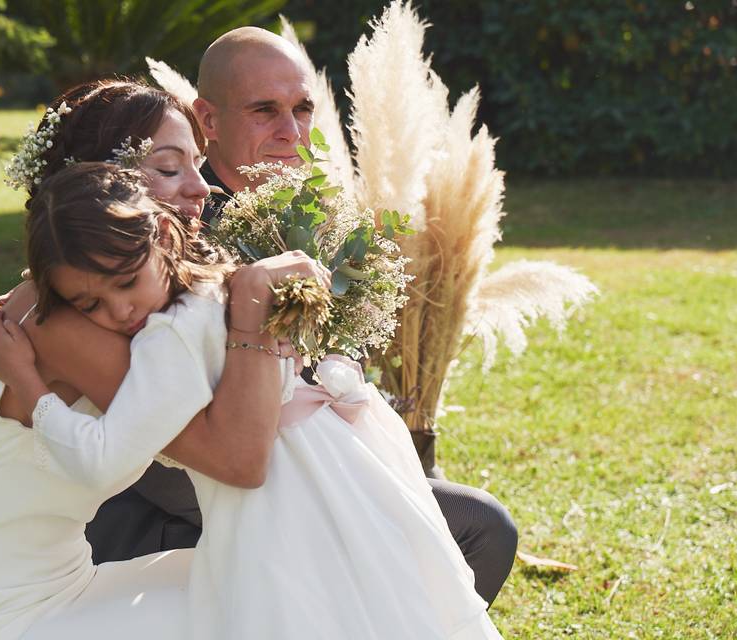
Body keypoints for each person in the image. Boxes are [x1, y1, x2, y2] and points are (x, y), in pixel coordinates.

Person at [0, 161, 503, 639]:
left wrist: (28, 385)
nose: (119, 312)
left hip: (275, 507)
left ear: (163, 234)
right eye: (89, 303)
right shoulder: (216, 289)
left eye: (125, 283)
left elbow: (99, 461)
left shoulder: (168, 338)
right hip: (333, 469)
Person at [0, 81, 327, 638]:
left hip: (66, 581)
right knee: (291, 597)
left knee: (296, 577)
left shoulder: (86, 301)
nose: (200, 187)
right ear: (100, 185)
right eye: (167, 168)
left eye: (196, 163)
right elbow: (240, 462)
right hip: (6, 620)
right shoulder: (67, 325)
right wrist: (254, 296)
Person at [194, 25, 517, 604]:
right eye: (264, 111)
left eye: (301, 108)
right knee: (480, 530)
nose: (291, 132)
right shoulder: (185, 226)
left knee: (474, 525)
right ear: (208, 121)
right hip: (228, 483)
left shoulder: (316, 213)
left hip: (319, 456)